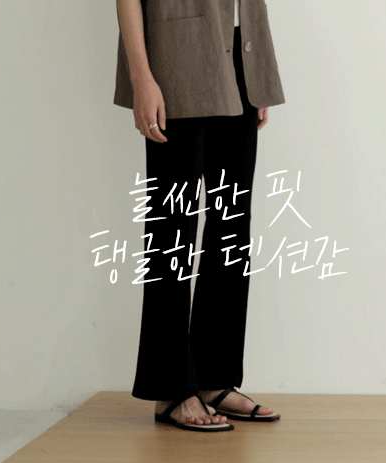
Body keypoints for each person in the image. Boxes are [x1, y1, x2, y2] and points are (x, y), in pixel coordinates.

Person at [114, 0, 286, 432]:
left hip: (241, 59)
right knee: (172, 227)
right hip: (177, 61)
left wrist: (256, 75)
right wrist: (141, 78)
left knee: (232, 228)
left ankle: (214, 378)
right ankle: (170, 387)